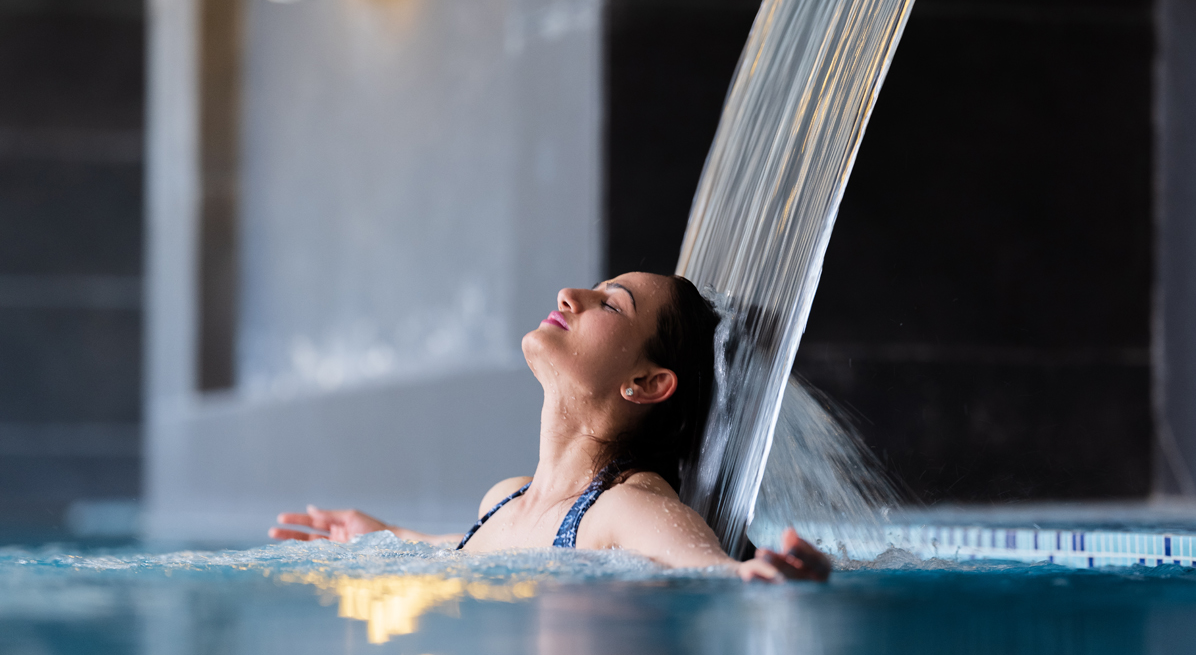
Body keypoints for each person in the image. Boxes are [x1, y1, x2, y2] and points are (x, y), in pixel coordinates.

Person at [270, 272, 830, 582]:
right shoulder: (505, 500)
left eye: (612, 306)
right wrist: (384, 537)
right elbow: (460, 548)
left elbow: (709, 570)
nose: (571, 295)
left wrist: (761, 578)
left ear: (647, 383)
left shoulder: (626, 508)